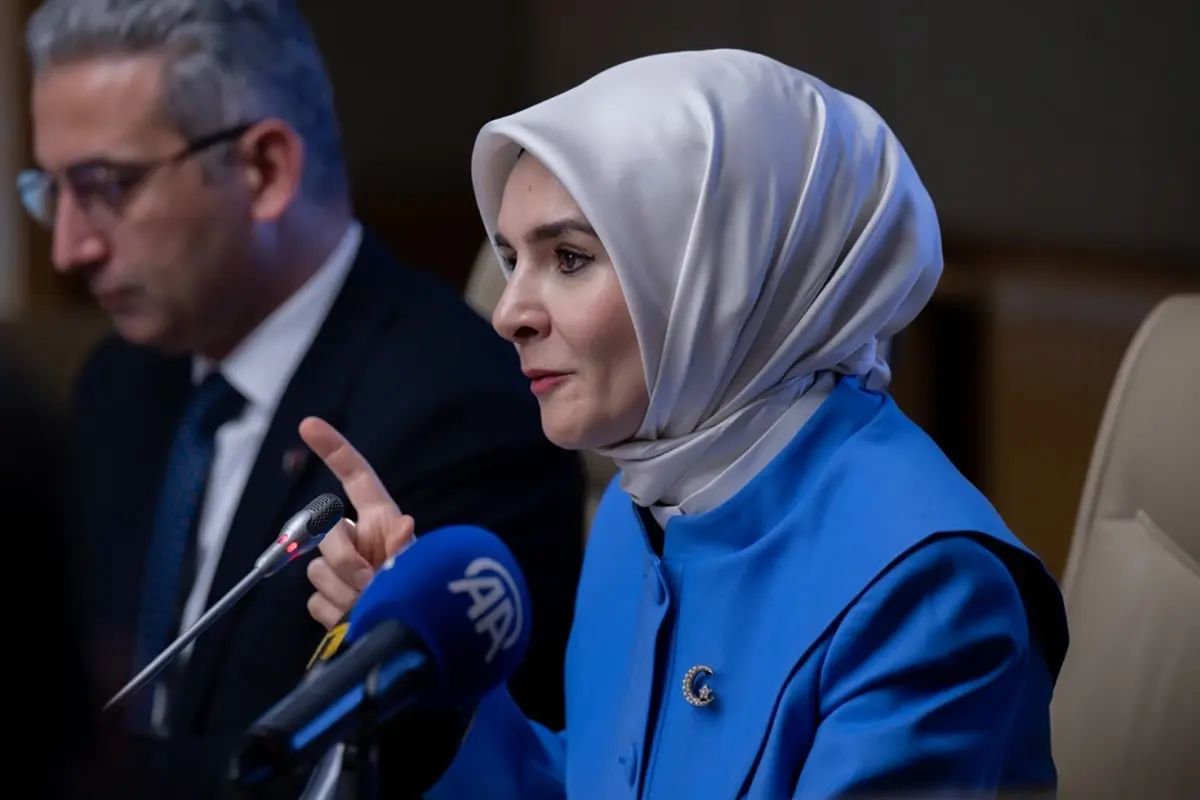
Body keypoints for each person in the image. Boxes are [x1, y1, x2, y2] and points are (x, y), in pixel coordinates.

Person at [301, 49, 1070, 798]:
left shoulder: (929, 587)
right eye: (511, 259)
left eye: (568, 257)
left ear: (724, 268)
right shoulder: (641, 501)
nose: (507, 313)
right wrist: (421, 670)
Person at [20, 0, 584, 796]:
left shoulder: (466, 405)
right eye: (50, 191)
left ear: (264, 170)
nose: (69, 247)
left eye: (107, 186)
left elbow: (356, 767)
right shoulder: (117, 382)